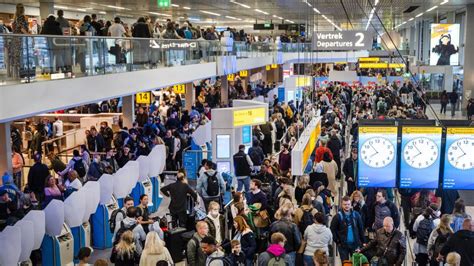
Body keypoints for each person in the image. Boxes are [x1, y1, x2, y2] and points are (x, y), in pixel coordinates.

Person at [330, 196, 365, 262]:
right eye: (345, 204)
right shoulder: (337, 217)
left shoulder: (356, 215)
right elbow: (332, 230)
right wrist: (337, 241)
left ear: (351, 204)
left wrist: (363, 242)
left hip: (355, 245)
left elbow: (361, 229)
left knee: (356, 263)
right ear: (342, 205)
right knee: (345, 263)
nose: (347, 206)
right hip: (343, 246)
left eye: (348, 204)